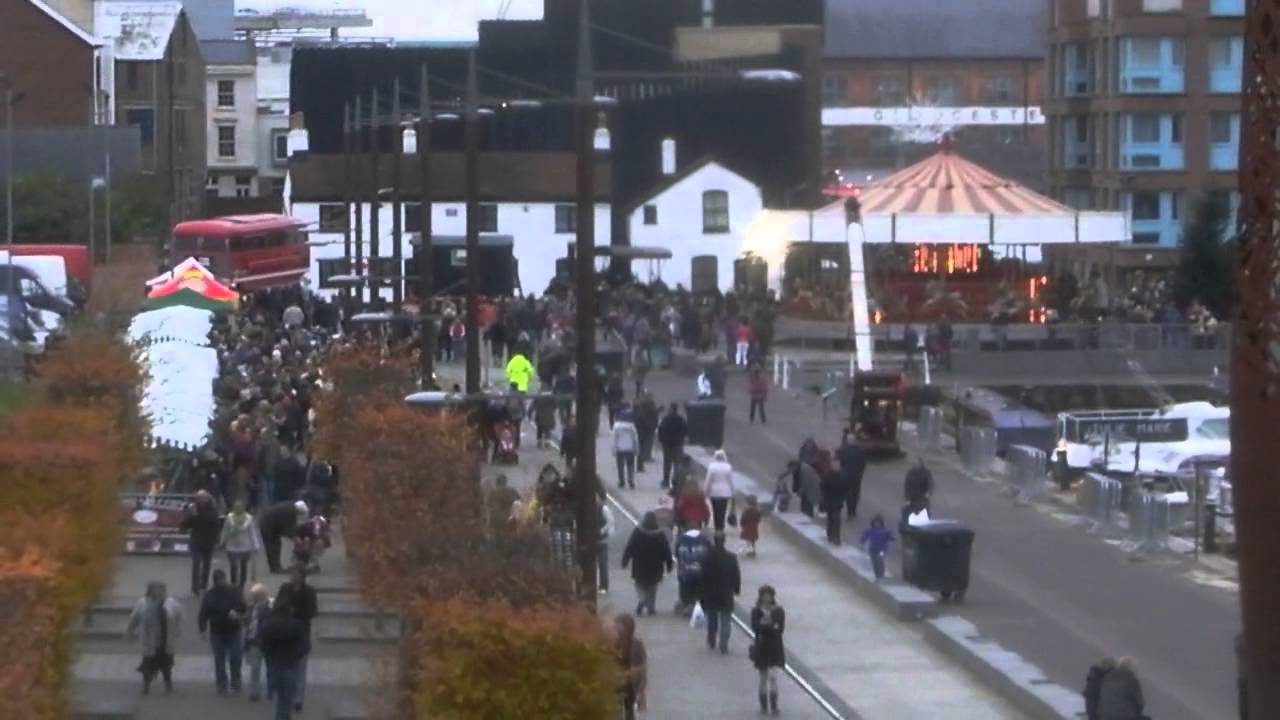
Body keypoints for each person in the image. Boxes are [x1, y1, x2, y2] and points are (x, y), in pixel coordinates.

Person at [275, 567, 318, 712]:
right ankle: (286, 693)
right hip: (283, 633)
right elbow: (276, 606)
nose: (292, 577)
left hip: (302, 633)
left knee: (300, 667)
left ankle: (298, 699)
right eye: (291, 574)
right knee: (285, 666)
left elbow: (313, 611)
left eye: (295, 574)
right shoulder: (284, 588)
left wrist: (297, 612)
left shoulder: (309, 591)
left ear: (302, 577)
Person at [126, 581, 181, 695]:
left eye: (162, 590)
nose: (161, 593)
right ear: (150, 591)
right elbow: (135, 618)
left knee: (167, 665)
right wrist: (129, 631)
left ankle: (168, 685)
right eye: (158, 590)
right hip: (150, 641)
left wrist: (176, 630)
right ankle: (146, 686)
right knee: (148, 664)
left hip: (166, 641)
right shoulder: (143, 603)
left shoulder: (171, 603)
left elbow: (178, 616)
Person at [198, 568, 248, 695]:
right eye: (220, 580)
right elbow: (203, 613)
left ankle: (235, 683)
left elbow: (243, 606)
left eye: (223, 580)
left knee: (235, 657)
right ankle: (222, 685)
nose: (223, 582)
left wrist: (236, 612)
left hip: (233, 629)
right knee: (219, 659)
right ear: (215, 581)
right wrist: (203, 629)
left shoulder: (234, 591)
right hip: (217, 631)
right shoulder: (210, 595)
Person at [260, 597, 307, 720]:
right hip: (290, 664)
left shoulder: (267, 625)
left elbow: (262, 645)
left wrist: (269, 656)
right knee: (286, 700)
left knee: (279, 697)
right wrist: (297, 656)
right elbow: (305, 646)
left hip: (274, 664)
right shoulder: (297, 625)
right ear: (289, 610)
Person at [621, 511, 673, 616]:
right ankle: (651, 607)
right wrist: (669, 565)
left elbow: (630, 547)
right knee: (653, 587)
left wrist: (625, 561)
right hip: (656, 566)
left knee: (639, 584)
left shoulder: (638, 531)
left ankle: (642, 599)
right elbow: (666, 550)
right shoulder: (660, 534)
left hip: (640, 564)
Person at [699, 531, 741, 654]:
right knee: (725, 620)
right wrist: (736, 589)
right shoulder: (731, 558)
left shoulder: (706, 558)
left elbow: (702, 577)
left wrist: (701, 592)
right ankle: (724, 643)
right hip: (726, 593)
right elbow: (736, 575)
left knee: (712, 619)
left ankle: (711, 639)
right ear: (724, 541)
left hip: (710, 593)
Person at [750, 585, 786, 715]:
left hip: (775, 647)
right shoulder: (756, 611)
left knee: (773, 677)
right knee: (763, 677)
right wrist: (770, 626)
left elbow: (780, 629)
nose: (767, 598)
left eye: (769, 595)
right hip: (762, 647)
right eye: (764, 595)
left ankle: (774, 705)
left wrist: (765, 626)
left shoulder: (778, 611)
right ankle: (764, 706)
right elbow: (755, 628)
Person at [180, 490, 222, 595]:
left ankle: (203, 585)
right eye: (198, 498)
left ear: (207, 499)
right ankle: (195, 587)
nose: (200, 500)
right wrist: (189, 517)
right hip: (196, 541)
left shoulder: (212, 510)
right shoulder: (193, 509)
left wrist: (217, 540)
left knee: (206, 565)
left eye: (202, 498)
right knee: (196, 564)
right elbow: (184, 525)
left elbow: (215, 525)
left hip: (208, 541)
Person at [220, 499, 262, 590]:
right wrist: (222, 541)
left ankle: (241, 586)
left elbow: (252, 533)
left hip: (245, 547)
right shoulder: (229, 517)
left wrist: (255, 546)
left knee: (243, 567)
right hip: (231, 547)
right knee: (233, 567)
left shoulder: (249, 518)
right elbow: (225, 530)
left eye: (240, 507)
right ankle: (233, 585)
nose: (238, 508)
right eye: (236, 507)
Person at [243, 583, 273, 702]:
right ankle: (254, 692)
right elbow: (249, 625)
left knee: (269, 669)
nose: (254, 599)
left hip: (266, 642)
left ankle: (270, 690)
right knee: (255, 668)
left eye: (255, 596)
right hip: (254, 642)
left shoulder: (269, 610)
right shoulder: (251, 608)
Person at [259, 500, 308, 574]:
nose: (299, 515)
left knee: (275, 545)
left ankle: (275, 567)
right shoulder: (290, 512)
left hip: (271, 525)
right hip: (267, 526)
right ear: (299, 510)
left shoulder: (290, 508)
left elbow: (291, 527)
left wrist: (295, 536)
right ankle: (275, 568)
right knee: (272, 546)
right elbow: (287, 528)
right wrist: (296, 539)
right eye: (300, 513)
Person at [614, 613, 648, 720]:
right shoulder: (612, 642)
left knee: (629, 711)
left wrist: (642, 693)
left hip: (630, 684)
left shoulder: (637, 644)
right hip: (614, 683)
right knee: (615, 711)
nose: (616, 629)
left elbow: (642, 668)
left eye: (618, 626)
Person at [673, 527, 711, 615]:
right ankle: (695, 605)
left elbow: (677, 554)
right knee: (698, 589)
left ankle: (688, 605)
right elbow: (710, 554)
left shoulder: (681, 540)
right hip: (700, 571)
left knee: (686, 589)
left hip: (685, 571)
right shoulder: (704, 539)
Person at [657, 403, 688, 490]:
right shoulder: (680, 419)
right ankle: (677, 481)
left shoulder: (666, 419)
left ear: (671, 409)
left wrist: (661, 440)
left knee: (667, 463)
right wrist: (681, 438)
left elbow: (661, 430)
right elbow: (685, 430)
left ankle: (666, 481)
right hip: (678, 443)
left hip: (667, 444)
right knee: (677, 463)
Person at [704, 449, 737, 531]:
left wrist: (705, 492)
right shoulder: (728, 467)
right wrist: (733, 493)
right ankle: (721, 526)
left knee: (715, 510)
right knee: (723, 510)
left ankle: (717, 526)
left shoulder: (712, 467)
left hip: (714, 492)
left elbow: (708, 480)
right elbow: (731, 481)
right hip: (725, 493)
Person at [837, 432, 868, 518]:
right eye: (849, 440)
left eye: (851, 440)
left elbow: (863, 463)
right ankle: (851, 511)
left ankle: (852, 510)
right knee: (850, 494)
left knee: (853, 494)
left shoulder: (858, 450)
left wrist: (859, 473)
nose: (850, 441)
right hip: (849, 476)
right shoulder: (847, 450)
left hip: (854, 476)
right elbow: (842, 462)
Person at [859, 514, 895, 581]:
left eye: (879, 523)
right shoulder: (870, 530)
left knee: (880, 560)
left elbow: (891, 536)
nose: (877, 524)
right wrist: (862, 540)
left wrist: (892, 537)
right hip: (873, 549)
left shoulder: (886, 531)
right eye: (876, 523)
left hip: (882, 549)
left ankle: (881, 574)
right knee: (874, 562)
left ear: (882, 523)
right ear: (873, 523)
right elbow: (864, 535)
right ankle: (877, 575)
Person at [611, 410, 640, 490]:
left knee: (620, 466)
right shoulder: (632, 426)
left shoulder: (616, 426)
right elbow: (635, 439)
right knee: (630, 465)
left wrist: (613, 449)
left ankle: (621, 481)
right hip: (629, 449)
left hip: (620, 449)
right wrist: (636, 449)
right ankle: (631, 480)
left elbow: (614, 439)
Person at [634, 393, 659, 473]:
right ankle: (646, 456)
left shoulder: (640, 405)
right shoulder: (649, 404)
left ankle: (643, 457)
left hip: (643, 426)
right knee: (648, 441)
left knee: (644, 442)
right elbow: (653, 413)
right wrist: (659, 410)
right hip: (649, 426)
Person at [598, 498, 615, 595]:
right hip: (590, 539)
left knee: (602, 563)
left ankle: (604, 586)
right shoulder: (584, 507)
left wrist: (602, 531)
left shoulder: (603, 508)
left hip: (602, 540)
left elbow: (610, 521)